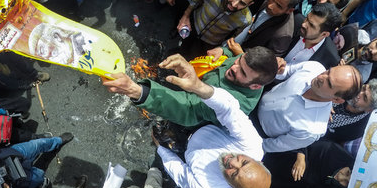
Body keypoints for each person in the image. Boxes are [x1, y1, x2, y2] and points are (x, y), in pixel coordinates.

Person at [146, 54, 272, 188]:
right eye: (244, 162)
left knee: (158, 133)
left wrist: (160, 148)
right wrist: (197, 86)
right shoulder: (253, 146)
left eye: (234, 174)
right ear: (259, 161)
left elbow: (179, 171)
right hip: (203, 125)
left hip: (183, 147)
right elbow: (229, 110)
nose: (232, 162)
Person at [102, 45, 278, 127]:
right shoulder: (245, 65)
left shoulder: (238, 105)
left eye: (243, 73)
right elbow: (236, 53)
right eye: (239, 61)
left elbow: (188, 109)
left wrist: (137, 90)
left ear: (255, 86)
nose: (233, 67)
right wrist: (224, 50)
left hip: (192, 120)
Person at [255, 60, 362, 153]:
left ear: (336, 100)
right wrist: (280, 69)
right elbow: (286, 71)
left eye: (329, 83)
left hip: (256, 132)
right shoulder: (314, 67)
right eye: (328, 71)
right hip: (254, 95)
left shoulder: (312, 129)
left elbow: (271, 145)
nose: (321, 77)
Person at [209, 0, 303, 58]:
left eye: (278, 6)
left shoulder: (283, 35)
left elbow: (265, 66)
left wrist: (241, 54)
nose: (270, 5)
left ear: (289, 10)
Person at [177, 0, 259, 60]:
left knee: (194, 60)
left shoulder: (245, 20)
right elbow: (195, 0)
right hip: (194, 27)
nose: (234, 4)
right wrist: (185, 16)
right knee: (183, 47)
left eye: (242, 3)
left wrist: (220, 48)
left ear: (250, 4)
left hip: (210, 43)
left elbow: (233, 36)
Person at [323, 78, 377, 144]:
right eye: (363, 88)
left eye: (364, 97)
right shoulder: (344, 85)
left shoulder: (356, 129)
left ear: (369, 110)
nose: (359, 93)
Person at [283, 2, 342, 69]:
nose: (304, 24)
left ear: (324, 34)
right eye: (307, 18)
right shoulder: (295, 21)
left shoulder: (330, 58)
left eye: (311, 25)